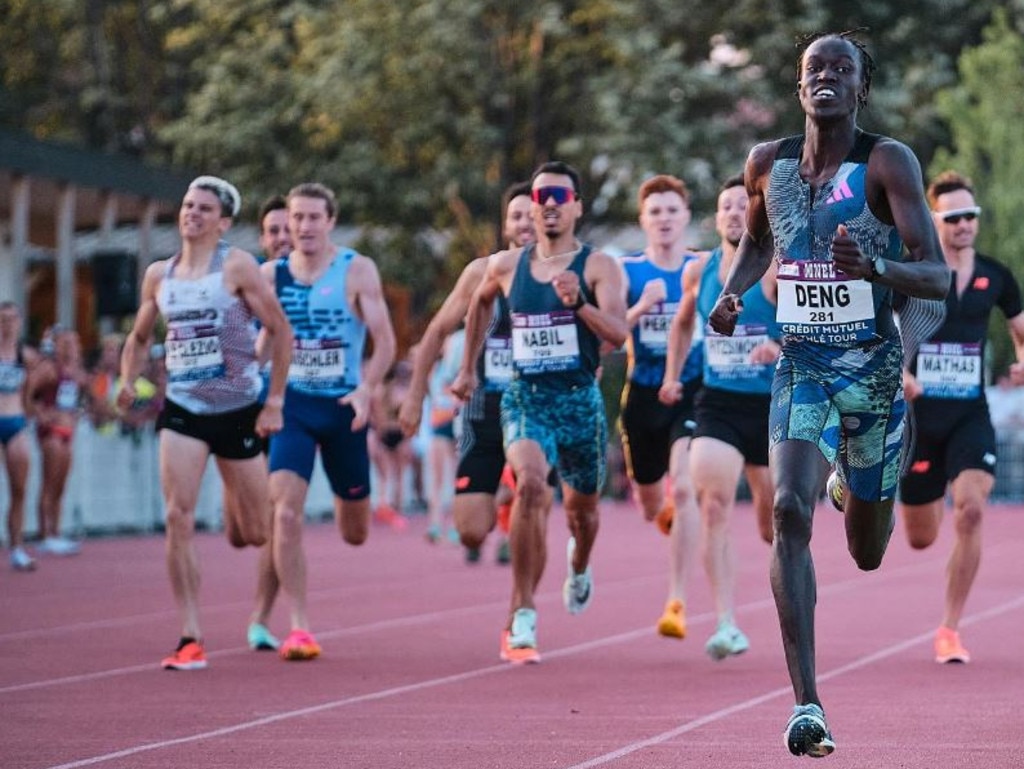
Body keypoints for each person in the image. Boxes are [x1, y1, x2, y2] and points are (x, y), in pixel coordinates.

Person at [707, 33, 949, 756]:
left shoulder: (886, 161)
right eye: (816, 67)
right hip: (802, 362)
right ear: (797, 83)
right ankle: (807, 702)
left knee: (869, 550)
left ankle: (857, 478)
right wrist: (732, 292)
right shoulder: (767, 164)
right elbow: (758, 241)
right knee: (786, 508)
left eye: (842, 69)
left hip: (872, 371)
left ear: (860, 88)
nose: (828, 78)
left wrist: (874, 265)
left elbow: (935, 276)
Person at [451, 161, 628, 663]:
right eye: (541, 196)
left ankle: (580, 564)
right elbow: (479, 305)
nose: (549, 204)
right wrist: (468, 368)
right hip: (526, 397)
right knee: (528, 483)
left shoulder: (599, 267)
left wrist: (579, 307)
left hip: (579, 401)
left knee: (583, 513)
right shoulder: (506, 267)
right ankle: (523, 609)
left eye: (559, 196)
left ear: (576, 206)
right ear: (532, 206)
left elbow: (617, 335)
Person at [118, 175, 293, 670]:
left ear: (224, 222)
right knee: (177, 515)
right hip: (184, 407)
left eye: (203, 208)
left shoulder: (236, 267)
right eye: (188, 205)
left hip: (238, 406)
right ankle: (190, 634)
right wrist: (127, 380)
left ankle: (236, 510)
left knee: (257, 533)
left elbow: (279, 330)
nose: (191, 213)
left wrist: (275, 399)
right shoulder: (160, 275)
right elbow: (137, 336)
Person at [258, 182, 396, 661]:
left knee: (354, 531)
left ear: (331, 221)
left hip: (343, 410)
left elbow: (385, 341)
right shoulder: (270, 276)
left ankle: (353, 502)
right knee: (286, 512)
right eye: (297, 218)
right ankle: (299, 627)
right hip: (294, 406)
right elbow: (259, 343)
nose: (305, 226)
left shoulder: (355, 270)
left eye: (315, 217)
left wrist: (367, 388)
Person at [894, 171, 1024, 664]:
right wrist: (901, 372)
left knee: (970, 510)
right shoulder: (915, 273)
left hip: (970, 415)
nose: (965, 224)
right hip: (918, 421)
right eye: (954, 217)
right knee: (922, 536)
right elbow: (884, 330)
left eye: (971, 215)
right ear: (934, 221)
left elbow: (1020, 331)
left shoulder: (996, 275)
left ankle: (949, 628)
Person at [660, 175, 778, 659]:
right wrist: (672, 375)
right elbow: (684, 322)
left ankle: (787, 584)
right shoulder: (700, 272)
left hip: (774, 404)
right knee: (712, 505)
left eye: (742, 205)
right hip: (720, 403)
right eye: (726, 206)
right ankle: (726, 621)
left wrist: (780, 345)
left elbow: (808, 325)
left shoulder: (775, 269)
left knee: (778, 521)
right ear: (716, 218)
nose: (733, 213)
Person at [398, 181, 538, 566]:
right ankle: (500, 493)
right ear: (506, 225)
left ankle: (525, 598)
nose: (525, 223)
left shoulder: (563, 272)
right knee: (471, 529)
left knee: (532, 480)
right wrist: (413, 398)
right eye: (516, 216)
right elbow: (436, 332)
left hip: (538, 406)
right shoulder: (481, 272)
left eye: (532, 214)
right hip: (484, 407)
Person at [616, 174, 703, 640]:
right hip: (643, 394)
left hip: (691, 390)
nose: (664, 219)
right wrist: (639, 308)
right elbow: (607, 336)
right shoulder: (627, 273)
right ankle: (661, 509)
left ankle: (677, 601)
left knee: (685, 489)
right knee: (653, 506)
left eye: (672, 210)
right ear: (643, 220)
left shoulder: (704, 268)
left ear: (686, 216)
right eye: (655, 212)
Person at [28, 326, 92, 556]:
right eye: (65, 343)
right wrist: (40, 413)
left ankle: (55, 531)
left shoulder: (76, 371)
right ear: (56, 345)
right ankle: (44, 534)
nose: (71, 348)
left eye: (74, 343)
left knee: (61, 485)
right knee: (49, 481)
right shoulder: (49, 369)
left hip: (67, 429)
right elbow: (28, 390)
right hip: (51, 431)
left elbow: (86, 397)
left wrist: (80, 411)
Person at [0, 302, 39, 571]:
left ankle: (16, 546)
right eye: (3, 320)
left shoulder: (26, 356)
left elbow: (30, 392)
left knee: (19, 489)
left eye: (12, 319)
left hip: (15, 421)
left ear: (20, 322)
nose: (8, 324)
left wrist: (29, 413)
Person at [257, 195, 291, 263]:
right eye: (274, 231)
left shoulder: (318, 272)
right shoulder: (250, 272)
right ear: (262, 240)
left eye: (289, 230)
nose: (282, 238)